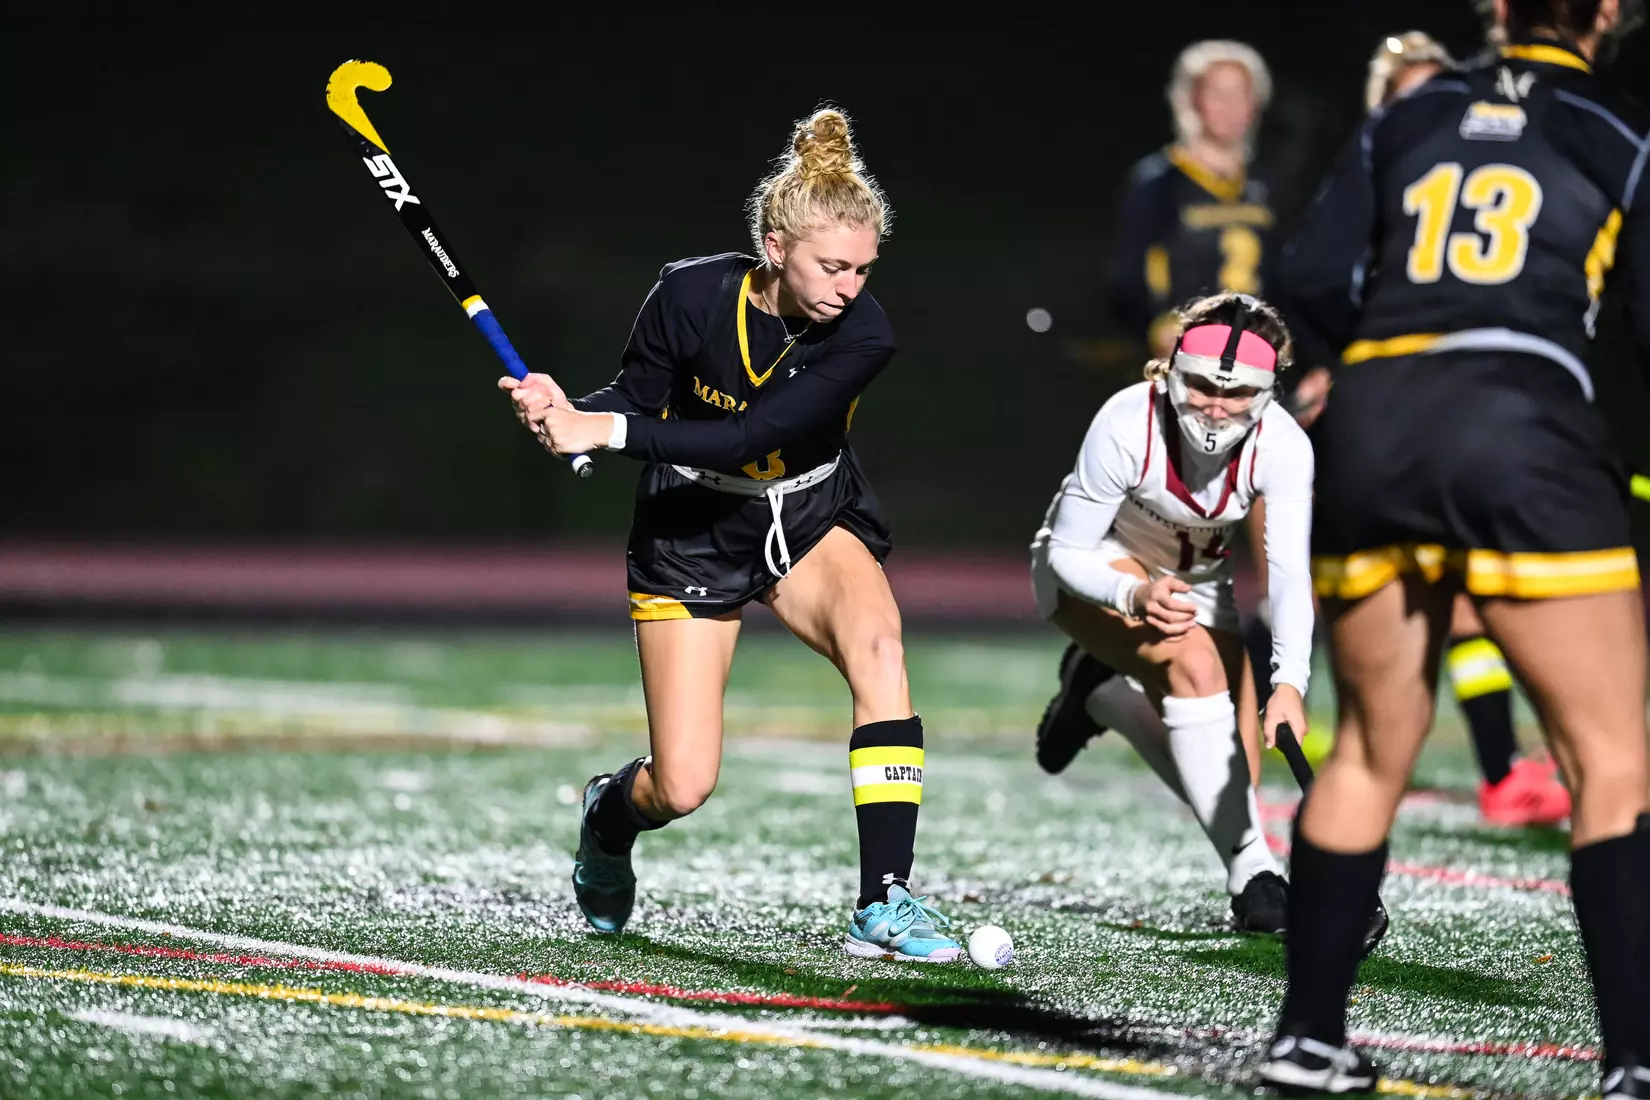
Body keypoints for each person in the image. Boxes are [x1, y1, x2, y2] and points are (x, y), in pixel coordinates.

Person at [1260, 0, 1650, 1092]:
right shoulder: (1618, 126)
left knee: (1367, 749)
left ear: (1498, 9)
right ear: (1608, 13)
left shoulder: (1413, 112)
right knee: (1612, 761)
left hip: (1377, 421)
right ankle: (1633, 1063)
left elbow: (1312, 280)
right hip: (1522, 421)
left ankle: (1308, 1037)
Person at [501, 108, 962, 962]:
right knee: (682, 785)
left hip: (809, 514)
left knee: (881, 651)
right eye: (832, 266)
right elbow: (635, 400)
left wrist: (602, 433)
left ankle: (884, 899)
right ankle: (608, 817)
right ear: (776, 246)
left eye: (863, 268)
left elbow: (751, 437)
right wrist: (568, 412)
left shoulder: (864, 334)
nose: (849, 286)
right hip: (691, 531)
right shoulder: (689, 292)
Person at [1029, 291, 1315, 934]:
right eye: (1203, 386)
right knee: (1194, 667)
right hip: (1100, 566)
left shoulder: (1284, 445)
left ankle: (1102, 694)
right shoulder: (1127, 419)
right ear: (1172, 370)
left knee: (1234, 779)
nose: (1216, 406)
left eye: (1237, 392)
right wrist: (1132, 595)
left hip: (1200, 584)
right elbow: (1068, 551)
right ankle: (1255, 881)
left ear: (1267, 391)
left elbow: (1290, 577)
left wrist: (1290, 684)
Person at [1041, 39, 1280, 777]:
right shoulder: (1159, 181)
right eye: (1216, 92)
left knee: (1271, 545)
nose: (1229, 107)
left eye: (1241, 93)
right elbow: (1128, 278)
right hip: (1189, 390)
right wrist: (1166, 333)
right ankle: (1108, 673)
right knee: (1171, 544)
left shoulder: (1267, 186)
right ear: (1190, 101)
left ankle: (1251, 699)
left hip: (1256, 388)